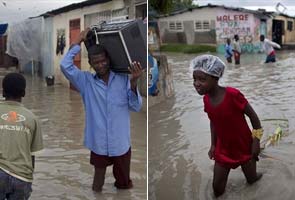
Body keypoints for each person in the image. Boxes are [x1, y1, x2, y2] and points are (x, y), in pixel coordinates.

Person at [60, 29, 143, 191]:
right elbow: (65, 65)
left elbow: (136, 106)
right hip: (98, 142)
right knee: (97, 183)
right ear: (90, 64)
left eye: (103, 61)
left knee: (124, 183)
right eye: (96, 62)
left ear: (108, 60)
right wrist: (78, 40)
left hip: (121, 143)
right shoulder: (85, 82)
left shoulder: (124, 78)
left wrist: (134, 83)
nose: (100, 65)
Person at [191, 55, 263, 197]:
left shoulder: (233, 95)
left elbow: (255, 119)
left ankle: (261, 173)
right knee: (217, 189)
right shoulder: (206, 99)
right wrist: (213, 145)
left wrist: (256, 142)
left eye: (202, 79)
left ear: (215, 78)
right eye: (194, 79)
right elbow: (214, 122)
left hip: (244, 146)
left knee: (252, 180)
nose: (196, 83)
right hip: (223, 149)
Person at [0, 73, 43, 200]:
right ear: (24, 93)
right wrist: (28, 178)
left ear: (3, 92)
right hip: (22, 177)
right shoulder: (33, 118)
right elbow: (32, 154)